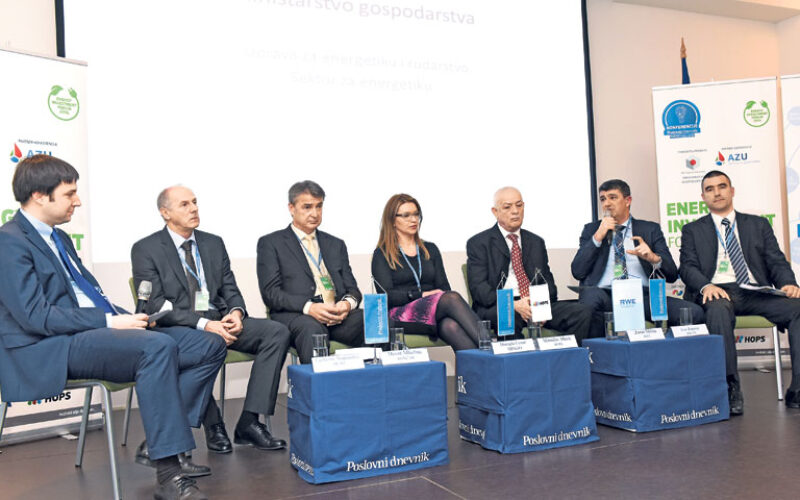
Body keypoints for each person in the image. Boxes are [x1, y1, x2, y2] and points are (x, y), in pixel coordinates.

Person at [0, 155, 223, 500]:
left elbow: (86, 296)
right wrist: (109, 321)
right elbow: (34, 316)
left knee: (208, 344)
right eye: (69, 194)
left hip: (88, 332)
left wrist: (129, 318)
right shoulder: (9, 241)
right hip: (50, 344)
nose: (78, 201)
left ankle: (159, 442)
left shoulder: (59, 238)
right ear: (40, 196)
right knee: (156, 347)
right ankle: (169, 473)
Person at [131, 186, 291, 456]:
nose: (194, 208)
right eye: (184, 204)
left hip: (219, 320)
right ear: (165, 213)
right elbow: (155, 305)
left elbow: (229, 287)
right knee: (204, 343)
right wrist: (204, 325)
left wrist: (236, 313)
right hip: (179, 328)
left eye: (195, 202)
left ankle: (250, 422)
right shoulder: (146, 249)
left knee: (276, 332)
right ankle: (213, 423)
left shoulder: (213, 243)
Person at [680, 170, 800, 415]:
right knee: (717, 311)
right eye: (710, 189)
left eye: (722, 186)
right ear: (703, 197)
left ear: (732, 191)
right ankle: (729, 387)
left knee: (798, 307)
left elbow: (776, 261)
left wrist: (788, 283)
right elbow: (687, 267)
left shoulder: (758, 224)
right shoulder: (693, 229)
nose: (717, 193)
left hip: (754, 291)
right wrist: (706, 286)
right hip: (718, 291)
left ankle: (797, 388)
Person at [571, 179, 704, 338]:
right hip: (605, 296)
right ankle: (590, 352)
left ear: (628, 201)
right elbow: (577, 271)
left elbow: (672, 275)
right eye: (603, 199)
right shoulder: (591, 229)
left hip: (642, 297)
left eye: (612, 197)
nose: (606, 203)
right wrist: (598, 236)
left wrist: (654, 258)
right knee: (589, 301)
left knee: (694, 312)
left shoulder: (650, 229)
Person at [466, 187, 593, 341]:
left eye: (519, 205)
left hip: (535, 302)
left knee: (582, 312)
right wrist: (513, 304)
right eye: (507, 207)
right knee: (508, 316)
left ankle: (570, 356)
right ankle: (519, 358)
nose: (515, 211)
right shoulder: (479, 243)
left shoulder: (535, 242)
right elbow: (480, 291)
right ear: (495, 211)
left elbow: (550, 287)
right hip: (501, 306)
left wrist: (538, 305)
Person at [257, 181, 363, 363]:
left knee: (375, 321)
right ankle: (320, 383)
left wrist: (346, 305)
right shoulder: (271, 243)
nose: (315, 213)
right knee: (312, 330)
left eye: (319, 206)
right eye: (307, 207)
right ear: (291, 208)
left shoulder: (335, 244)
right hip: (299, 315)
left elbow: (353, 290)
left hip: (336, 315)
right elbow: (271, 294)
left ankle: (377, 380)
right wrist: (309, 307)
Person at [371, 194, 479, 350]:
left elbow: (443, 287)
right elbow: (386, 296)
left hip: (432, 311)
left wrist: (433, 298)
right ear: (392, 220)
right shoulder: (382, 254)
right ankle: (491, 348)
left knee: (450, 325)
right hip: (400, 313)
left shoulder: (430, 249)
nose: (413, 220)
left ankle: (481, 363)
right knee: (451, 298)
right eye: (406, 215)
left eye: (416, 214)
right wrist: (421, 295)